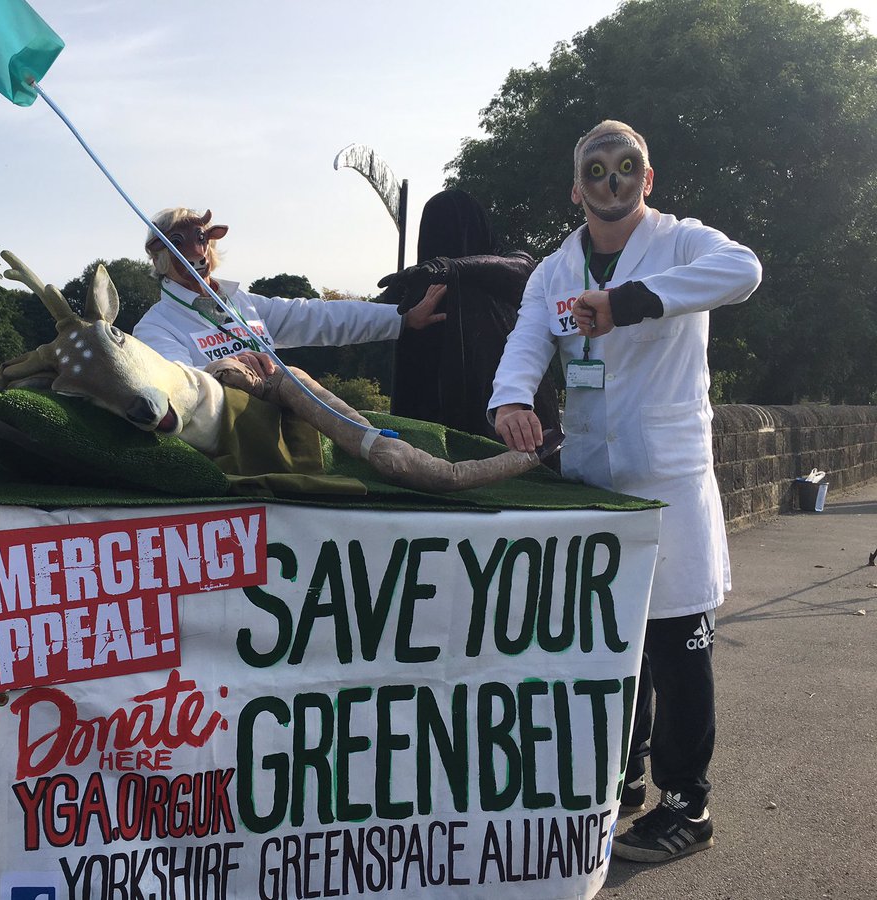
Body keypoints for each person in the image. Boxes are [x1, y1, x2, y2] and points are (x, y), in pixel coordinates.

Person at [488, 120, 762, 863]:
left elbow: (743, 272)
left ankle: (688, 803)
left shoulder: (683, 241)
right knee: (610, 639)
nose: (610, 183)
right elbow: (528, 341)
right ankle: (621, 775)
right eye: (595, 171)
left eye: (625, 168)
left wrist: (631, 301)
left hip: (666, 475)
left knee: (677, 644)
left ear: (648, 178)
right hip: (592, 476)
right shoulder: (556, 268)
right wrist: (512, 401)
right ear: (576, 187)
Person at [133, 208, 445, 378]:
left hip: (283, 423)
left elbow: (319, 317)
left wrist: (402, 318)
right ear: (159, 255)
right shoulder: (154, 326)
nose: (196, 253)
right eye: (178, 242)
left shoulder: (243, 304)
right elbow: (177, 382)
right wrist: (221, 368)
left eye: (201, 239)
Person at [375, 189, 559, 442]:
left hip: (499, 425)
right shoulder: (412, 287)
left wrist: (449, 268)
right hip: (430, 433)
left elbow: (524, 268)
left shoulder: (502, 275)